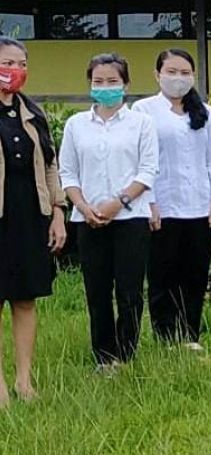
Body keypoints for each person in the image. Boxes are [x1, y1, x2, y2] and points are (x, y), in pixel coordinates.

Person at [59, 53, 158, 372]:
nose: (105, 87)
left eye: (112, 81)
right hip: (88, 220)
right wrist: (84, 207)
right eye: (98, 81)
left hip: (131, 218)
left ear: (126, 84)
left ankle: (127, 353)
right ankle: (103, 356)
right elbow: (68, 172)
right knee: (97, 290)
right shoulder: (76, 125)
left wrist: (119, 202)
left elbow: (148, 170)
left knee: (129, 290)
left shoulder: (141, 123)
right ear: (90, 84)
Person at [132, 49, 211, 351]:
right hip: (162, 205)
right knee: (162, 274)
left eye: (185, 73)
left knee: (195, 273)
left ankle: (189, 334)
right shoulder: (143, 110)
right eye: (171, 72)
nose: (178, 79)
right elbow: (139, 160)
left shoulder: (205, 112)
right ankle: (165, 335)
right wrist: (148, 201)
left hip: (199, 207)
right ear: (157, 74)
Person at [0, 38, 67, 404]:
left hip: (29, 213)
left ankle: (24, 380)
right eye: (8, 61)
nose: (16, 69)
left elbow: (51, 164)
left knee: (25, 299)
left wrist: (58, 211)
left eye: (22, 62)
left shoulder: (32, 112)